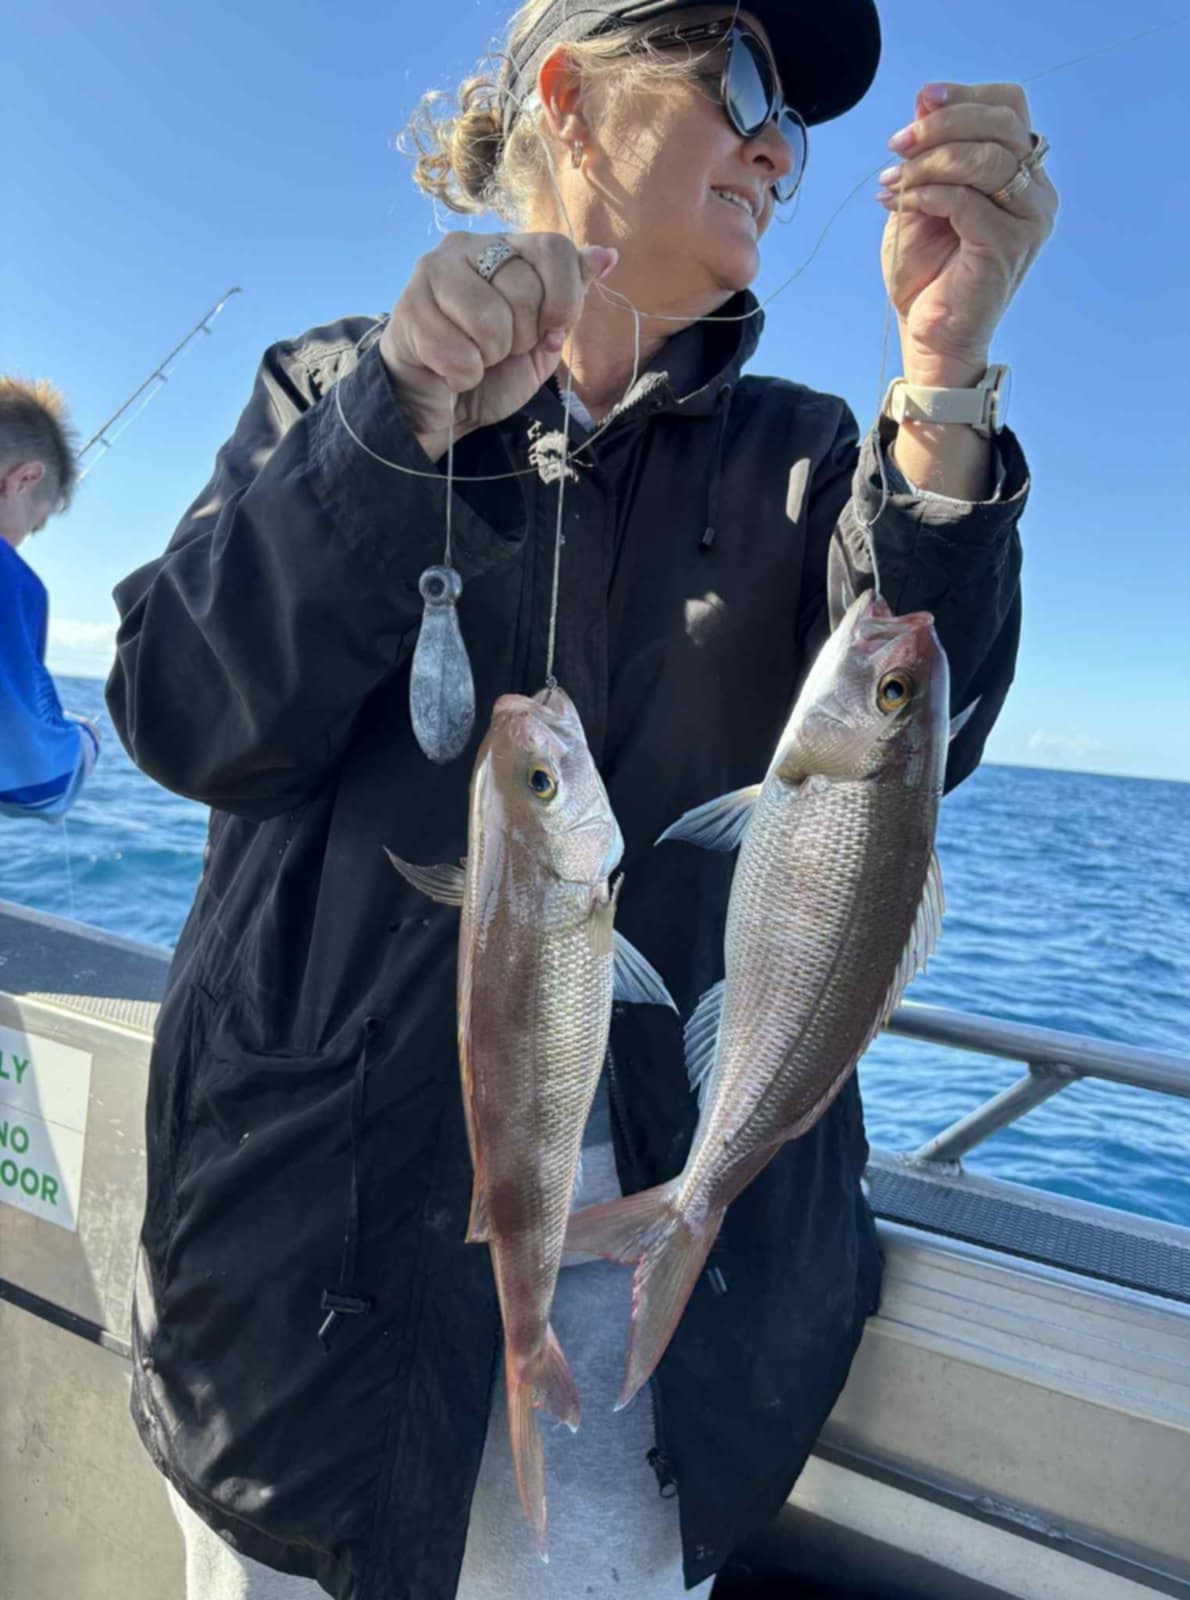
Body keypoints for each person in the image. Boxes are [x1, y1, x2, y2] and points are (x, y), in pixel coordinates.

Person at [107, 1, 1056, 1595]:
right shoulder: (334, 387)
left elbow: (913, 749)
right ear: (567, 90)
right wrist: (391, 420)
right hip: (307, 1288)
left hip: (661, 1333)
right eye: (743, 79)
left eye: (795, 124)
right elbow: (182, 714)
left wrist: (945, 381)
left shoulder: (815, 458)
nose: (779, 150)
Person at [0, 377, 100, 822]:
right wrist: (84, 743)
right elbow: (37, 783)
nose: (24, 540)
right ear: (23, 479)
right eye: (34, 523)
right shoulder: (11, 579)